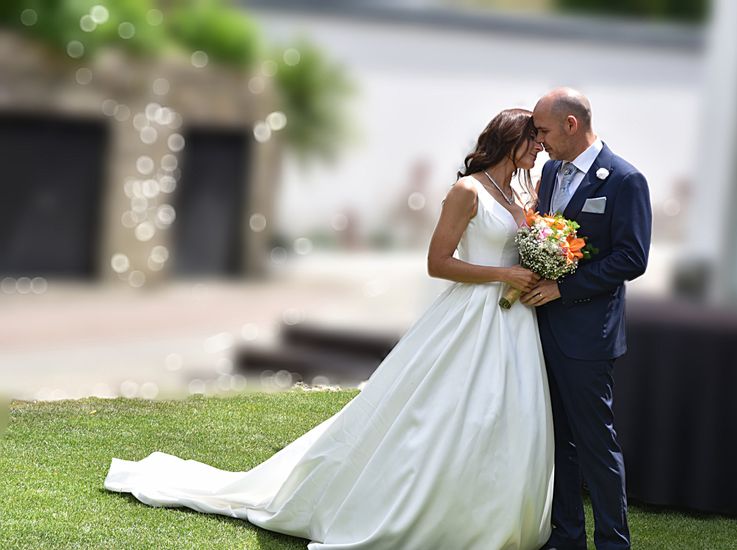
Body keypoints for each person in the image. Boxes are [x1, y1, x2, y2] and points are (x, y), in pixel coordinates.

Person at [104, 109, 554, 549]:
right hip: (469, 318)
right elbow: (438, 263)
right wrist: (504, 276)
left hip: (515, 323)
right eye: (533, 138)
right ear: (509, 140)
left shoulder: (522, 194)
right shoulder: (467, 191)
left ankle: (488, 515)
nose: (539, 146)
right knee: (438, 413)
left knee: (503, 417)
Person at [521, 88, 652, 550]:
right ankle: (567, 536)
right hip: (541, 329)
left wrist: (563, 286)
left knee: (596, 443)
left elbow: (632, 259)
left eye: (544, 131)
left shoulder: (624, 180)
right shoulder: (552, 172)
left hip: (588, 336)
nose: (539, 142)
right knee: (557, 440)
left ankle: (614, 543)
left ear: (571, 125)